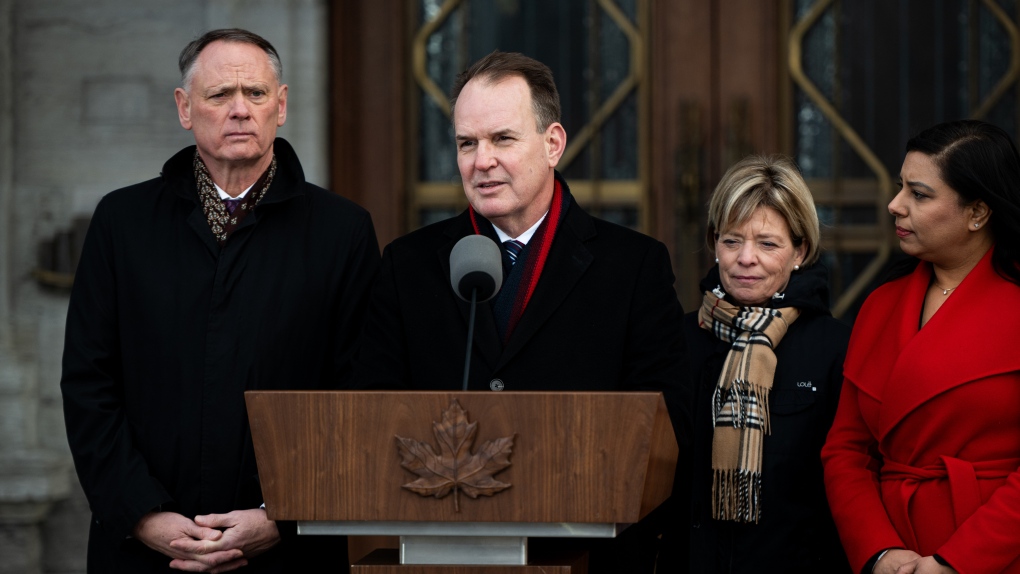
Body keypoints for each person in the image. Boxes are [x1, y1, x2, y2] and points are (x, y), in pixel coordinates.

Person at [61, 29, 380, 573]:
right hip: (143, 553)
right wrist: (143, 515)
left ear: (280, 107)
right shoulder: (122, 223)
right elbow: (89, 384)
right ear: (185, 109)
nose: (240, 111)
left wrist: (280, 515)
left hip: (287, 550)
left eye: (256, 95)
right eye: (219, 96)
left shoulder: (341, 231)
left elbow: (359, 394)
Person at [355, 51, 687, 573]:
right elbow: (371, 410)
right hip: (443, 552)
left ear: (553, 143)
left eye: (502, 139)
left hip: (590, 553)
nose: (481, 160)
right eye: (467, 143)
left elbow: (665, 422)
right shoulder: (409, 264)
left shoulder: (632, 265)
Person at [822, 119, 1020, 574]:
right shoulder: (880, 305)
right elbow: (846, 452)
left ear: (978, 212)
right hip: (893, 551)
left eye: (919, 194)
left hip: (993, 552)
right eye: (899, 188)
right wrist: (879, 551)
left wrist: (955, 563)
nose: (895, 205)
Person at [655, 155, 851, 573]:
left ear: (800, 250)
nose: (746, 258)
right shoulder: (677, 341)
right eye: (731, 241)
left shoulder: (835, 348)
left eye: (767, 243)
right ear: (714, 243)